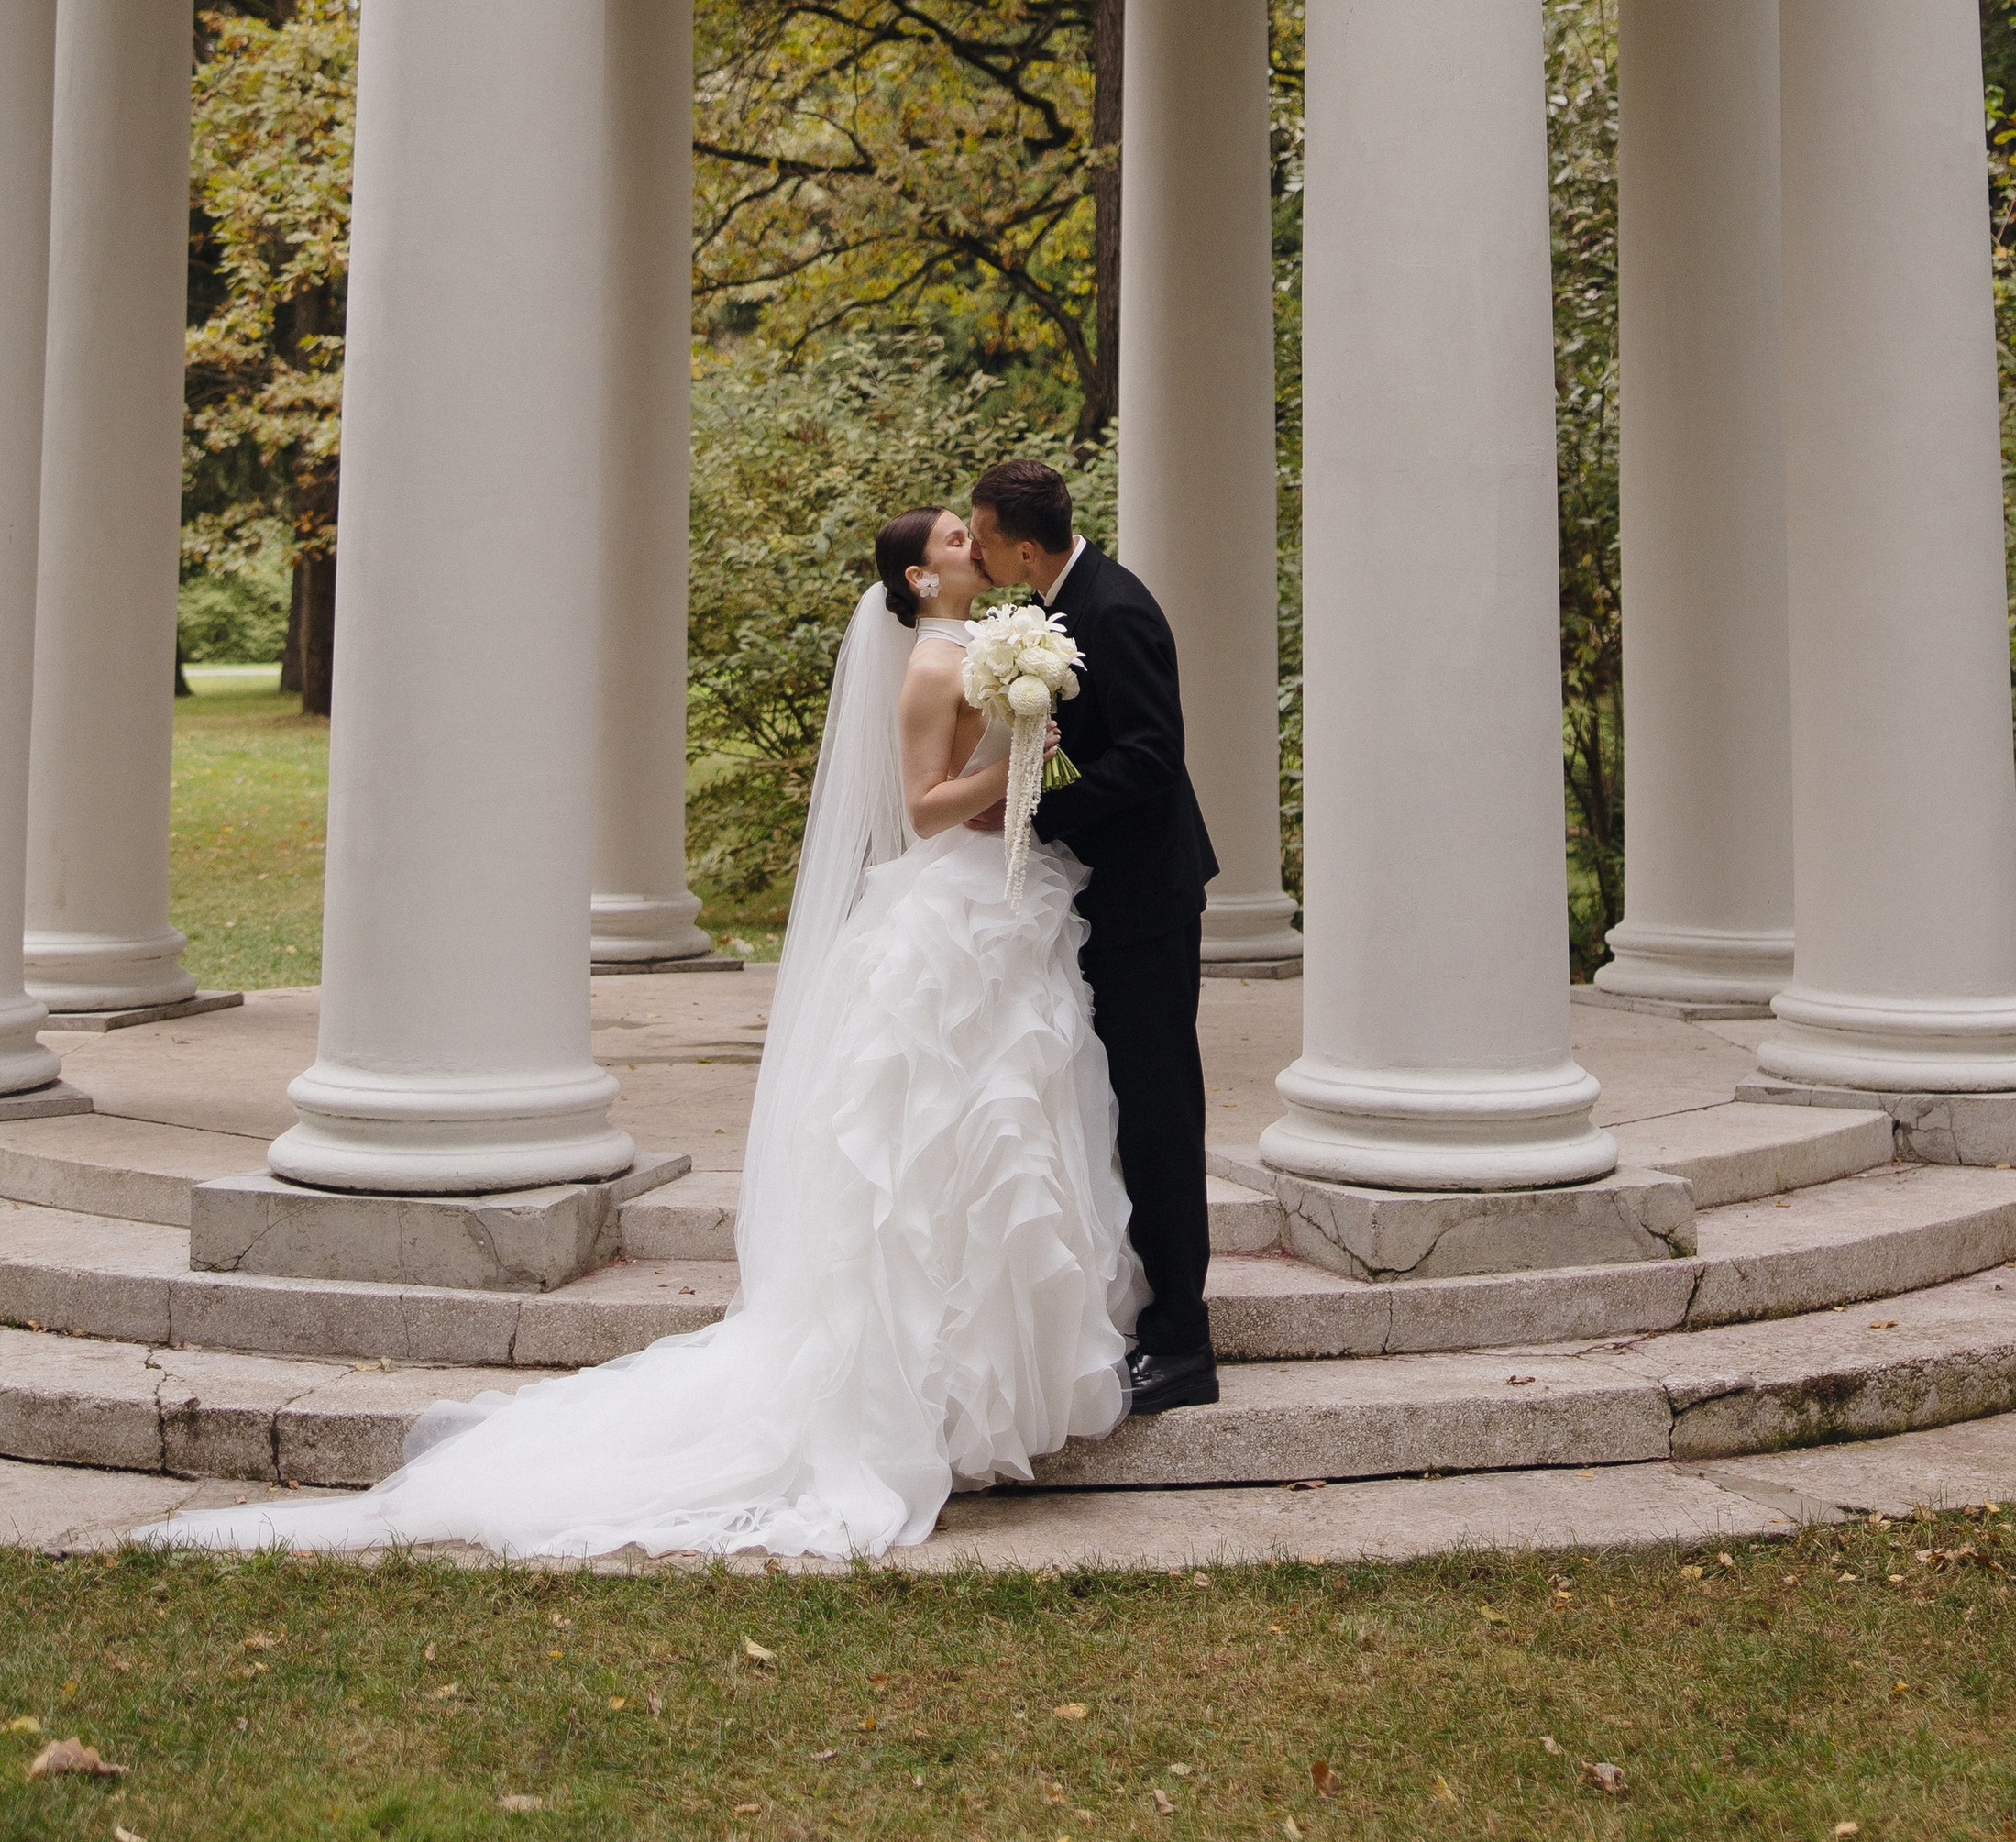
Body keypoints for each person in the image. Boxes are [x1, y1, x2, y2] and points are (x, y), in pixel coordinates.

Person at [152, 507, 1136, 1561]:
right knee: (940, 1132)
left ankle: (991, 1375)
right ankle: (931, 1388)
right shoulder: (936, 669)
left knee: (998, 1128)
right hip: (952, 908)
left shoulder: (982, 648)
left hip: (995, 902)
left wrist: (1028, 753)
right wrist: (1026, 756)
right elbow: (926, 808)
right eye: (952, 540)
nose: (971, 547)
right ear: (916, 574)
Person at [967, 458, 1220, 1415]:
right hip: (1104, 896)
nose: (978, 549)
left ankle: (1184, 1344)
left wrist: (1036, 815)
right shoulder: (1060, 607)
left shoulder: (1112, 609)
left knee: (1160, 1117)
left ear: (1023, 545)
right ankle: (1152, 1310)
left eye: (982, 535)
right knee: (1125, 1110)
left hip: (1146, 901)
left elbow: (1155, 755)